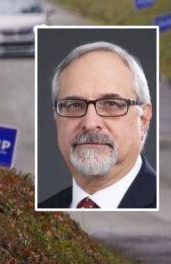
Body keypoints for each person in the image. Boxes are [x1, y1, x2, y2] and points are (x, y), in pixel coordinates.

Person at [39, 41, 156, 209]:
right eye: (74, 105)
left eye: (110, 104)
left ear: (143, 118)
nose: (90, 123)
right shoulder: (47, 208)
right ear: (56, 116)